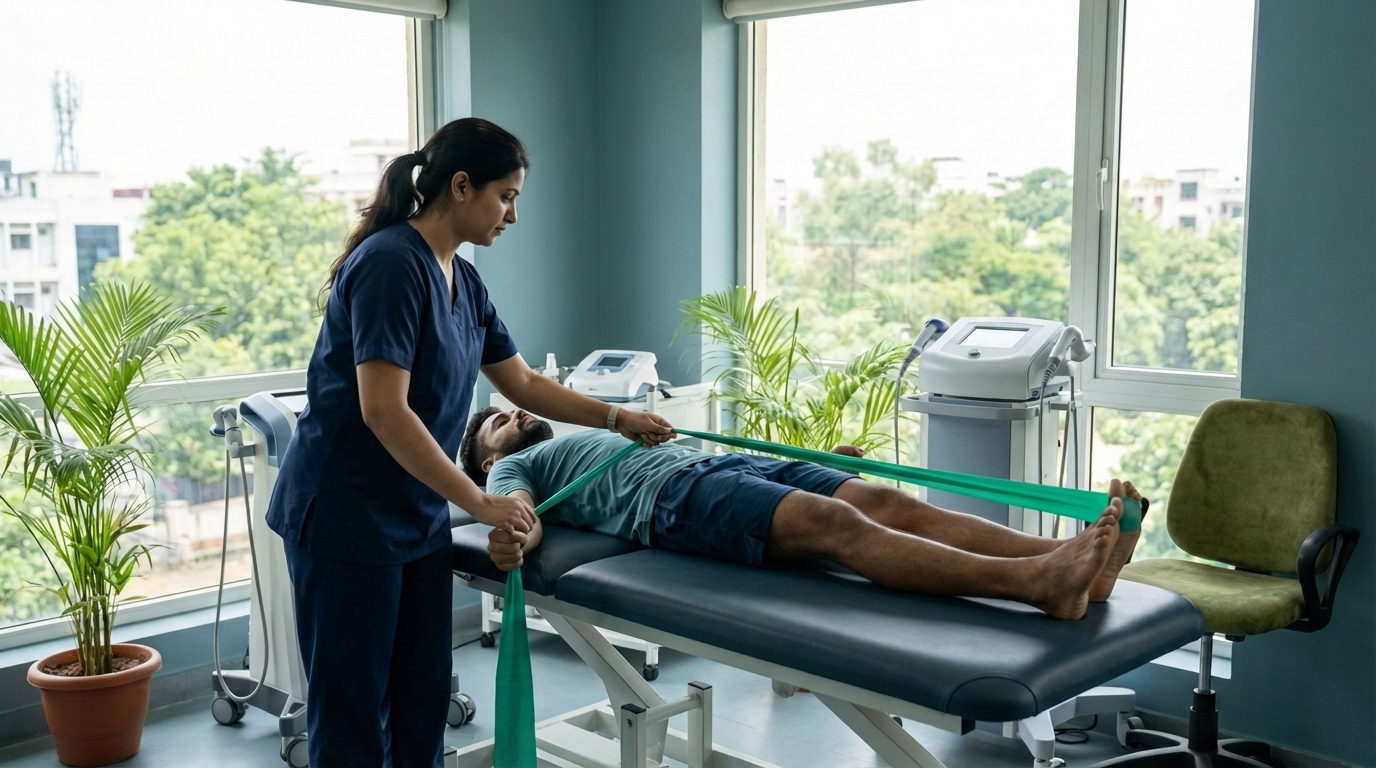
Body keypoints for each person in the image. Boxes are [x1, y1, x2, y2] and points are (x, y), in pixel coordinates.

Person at [265, 118, 674, 768]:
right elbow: (384, 412)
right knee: (352, 718)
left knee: (421, 704)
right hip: (346, 518)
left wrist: (618, 420)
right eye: (505, 195)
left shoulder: (464, 278)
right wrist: (481, 503)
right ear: (460, 186)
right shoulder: (391, 266)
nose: (512, 214)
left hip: (416, 518)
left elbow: (523, 382)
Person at [459, 407, 1146, 621]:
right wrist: (514, 532)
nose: (512, 414)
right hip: (671, 501)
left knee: (881, 498)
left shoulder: (580, 433)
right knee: (839, 528)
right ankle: (1034, 585)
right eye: (494, 422)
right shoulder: (517, 468)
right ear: (486, 458)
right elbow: (516, 510)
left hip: (722, 464)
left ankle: (1066, 563)